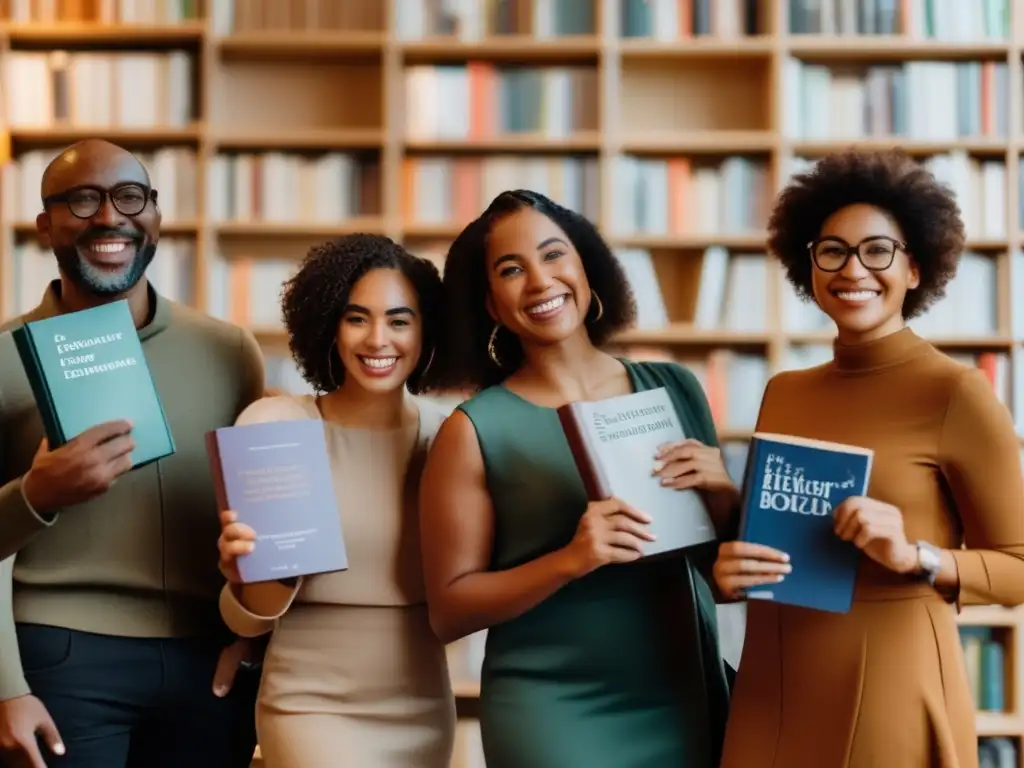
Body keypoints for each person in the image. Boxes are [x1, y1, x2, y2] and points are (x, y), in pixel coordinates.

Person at [713, 148, 1024, 767]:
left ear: (915, 268)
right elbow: (779, 540)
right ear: (809, 265)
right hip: (774, 677)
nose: (853, 269)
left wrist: (916, 556)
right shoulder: (785, 391)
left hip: (889, 678)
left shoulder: (955, 392)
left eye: (877, 250)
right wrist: (728, 573)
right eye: (832, 250)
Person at [419, 189, 738, 768]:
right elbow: (449, 610)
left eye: (553, 255)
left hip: (683, 691)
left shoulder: (674, 386)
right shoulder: (473, 430)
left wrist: (723, 491)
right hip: (553, 709)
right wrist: (571, 558)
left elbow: (722, 577)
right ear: (491, 304)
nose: (540, 281)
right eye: (511, 270)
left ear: (587, 269)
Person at [0, 139, 266, 768]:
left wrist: (253, 642)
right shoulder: (6, 355)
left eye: (128, 197)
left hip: (210, 665)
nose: (109, 218)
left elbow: (261, 521)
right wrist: (7, 687)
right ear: (45, 226)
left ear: (156, 215)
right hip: (58, 656)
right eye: (82, 200)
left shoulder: (229, 351)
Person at [215, 234, 456, 768]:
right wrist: (245, 576)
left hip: (422, 703)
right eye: (356, 318)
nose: (378, 339)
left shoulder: (450, 437)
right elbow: (248, 620)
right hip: (310, 704)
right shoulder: (276, 427)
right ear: (327, 324)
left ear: (426, 330)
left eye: (399, 320)